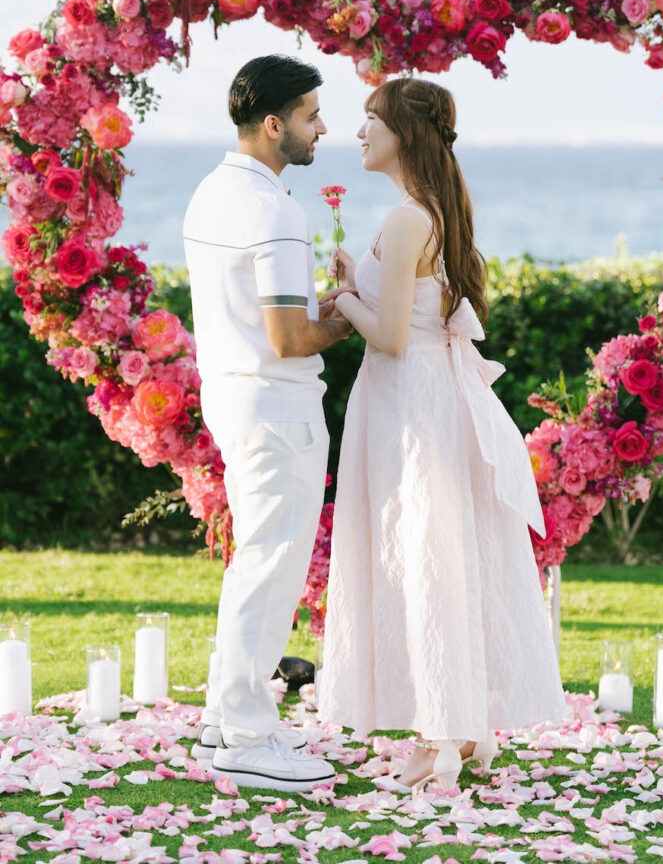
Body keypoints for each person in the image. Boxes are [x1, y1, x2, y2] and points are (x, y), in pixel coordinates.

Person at [317, 77, 567, 793]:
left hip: (410, 404)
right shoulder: (429, 211)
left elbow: (391, 337)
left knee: (426, 562)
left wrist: (340, 301)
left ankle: (442, 738)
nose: (359, 132)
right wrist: (358, 287)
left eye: (371, 120)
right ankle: (454, 728)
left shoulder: (404, 220)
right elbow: (413, 312)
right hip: (425, 397)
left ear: (403, 131)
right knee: (441, 558)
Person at [183, 54, 352, 792]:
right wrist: (352, 308)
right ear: (275, 123)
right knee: (269, 568)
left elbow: (261, 320)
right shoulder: (276, 208)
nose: (322, 128)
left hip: (231, 398)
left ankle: (224, 722)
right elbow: (289, 338)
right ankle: (248, 736)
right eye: (313, 115)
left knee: (253, 562)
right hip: (276, 407)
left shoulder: (210, 192)